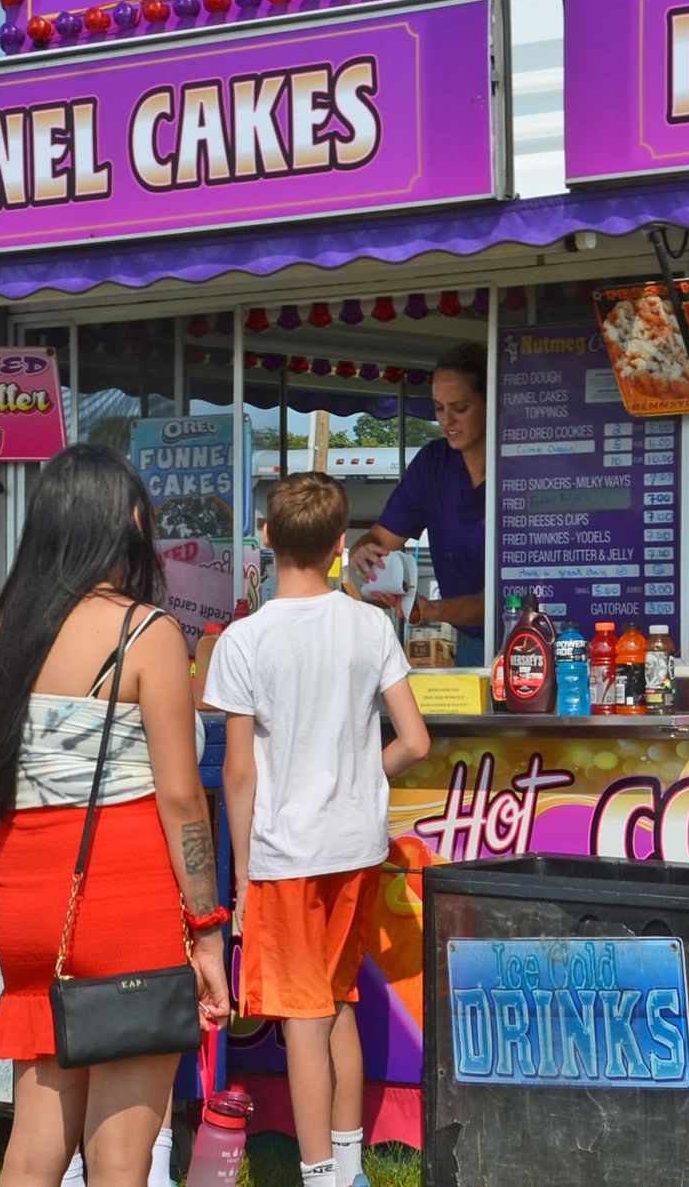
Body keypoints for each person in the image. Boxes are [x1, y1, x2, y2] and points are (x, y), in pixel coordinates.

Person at [0, 444, 230, 1187]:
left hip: (30, 896)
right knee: (120, 1156)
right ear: (127, 523)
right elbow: (182, 797)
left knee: (34, 1143)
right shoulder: (146, 634)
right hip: (125, 896)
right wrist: (208, 930)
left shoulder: (0, 641)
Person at [206, 473, 429, 1187]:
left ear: (266, 539)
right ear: (340, 546)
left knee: (304, 1018)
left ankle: (318, 1173)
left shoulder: (245, 640)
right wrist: (368, 778)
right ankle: (350, 1166)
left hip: (285, 853)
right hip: (357, 848)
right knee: (335, 1004)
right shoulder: (370, 625)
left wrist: (240, 871)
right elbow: (416, 741)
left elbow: (238, 773)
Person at [349, 343, 489, 665]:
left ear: (490, 403)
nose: (447, 420)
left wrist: (431, 609)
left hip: (536, 638)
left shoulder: (523, 464)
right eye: (439, 408)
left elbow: (511, 597)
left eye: (460, 408)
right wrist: (365, 555)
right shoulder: (433, 462)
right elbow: (380, 539)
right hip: (472, 642)